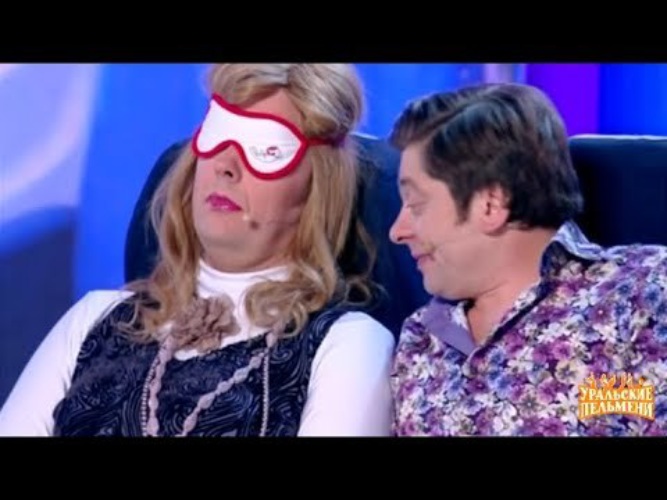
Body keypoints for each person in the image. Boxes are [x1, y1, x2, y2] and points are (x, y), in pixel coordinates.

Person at [0, 63, 395, 437]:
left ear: (318, 190)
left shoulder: (347, 346)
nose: (226, 166)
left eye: (265, 148)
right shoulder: (93, 320)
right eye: (219, 132)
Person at [387, 82, 667, 436]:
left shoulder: (642, 293)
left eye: (416, 205)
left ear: (491, 205)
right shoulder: (421, 339)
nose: (396, 232)